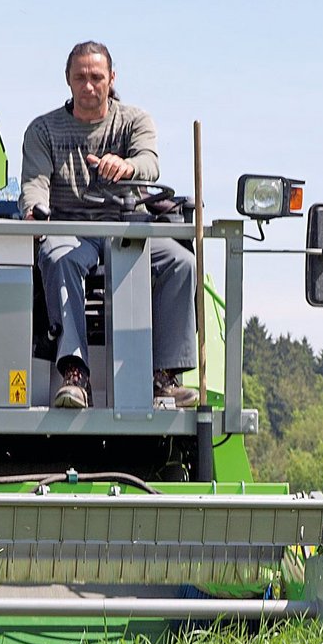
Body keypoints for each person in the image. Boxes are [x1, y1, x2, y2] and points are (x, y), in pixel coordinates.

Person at [19, 41, 198, 408]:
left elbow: (149, 162)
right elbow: (34, 183)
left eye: (97, 77)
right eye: (80, 77)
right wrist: (35, 211)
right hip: (70, 230)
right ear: (67, 80)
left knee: (181, 263)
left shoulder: (134, 120)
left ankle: (163, 376)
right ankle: (74, 374)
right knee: (58, 257)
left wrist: (127, 166)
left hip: (128, 227)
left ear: (112, 78)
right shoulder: (43, 129)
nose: (89, 86)